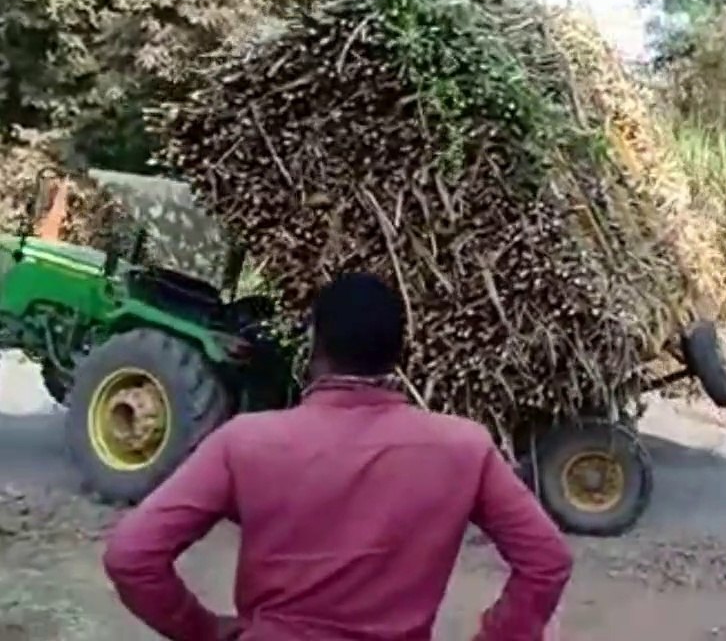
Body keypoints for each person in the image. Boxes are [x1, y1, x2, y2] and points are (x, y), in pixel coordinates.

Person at [103, 272, 573, 640]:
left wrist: (202, 629)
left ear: (314, 348)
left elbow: (131, 555)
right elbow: (547, 560)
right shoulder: (464, 448)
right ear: (399, 355)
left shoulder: (245, 442)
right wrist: (503, 634)